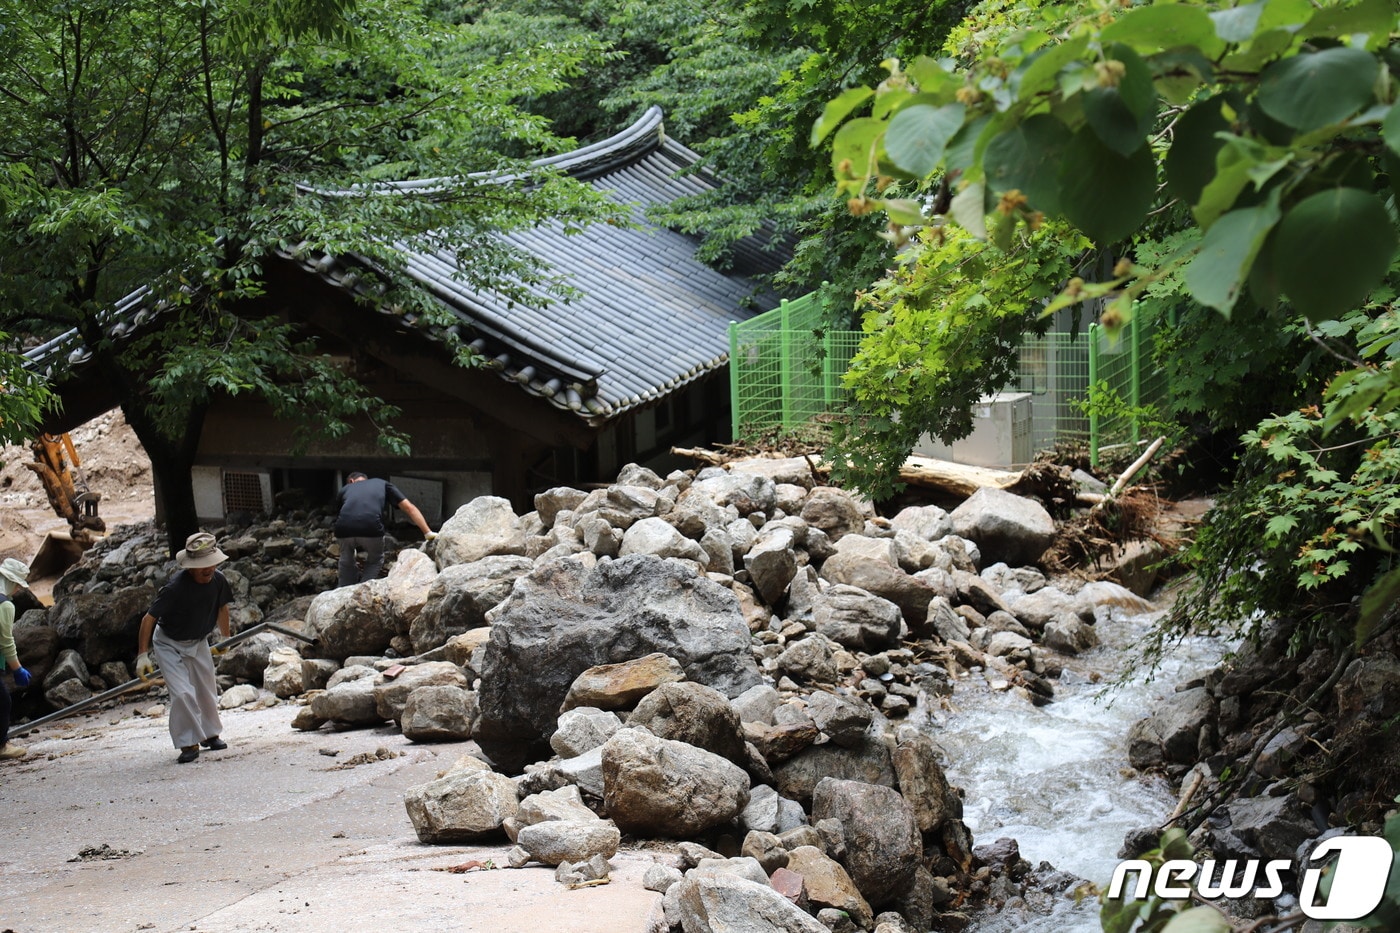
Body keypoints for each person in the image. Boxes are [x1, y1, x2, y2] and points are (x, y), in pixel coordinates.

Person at [136, 532, 233, 764]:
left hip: (198, 639)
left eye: (210, 564)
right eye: (201, 566)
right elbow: (148, 619)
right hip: (169, 642)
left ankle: (210, 734)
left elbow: (222, 609)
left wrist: (225, 638)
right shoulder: (175, 588)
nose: (207, 569)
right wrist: (142, 655)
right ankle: (189, 742)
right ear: (190, 567)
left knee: (206, 688)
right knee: (182, 693)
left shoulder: (218, 580)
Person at [333, 471, 436, 588]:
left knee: (346, 560)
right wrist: (427, 532)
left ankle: (343, 590)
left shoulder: (345, 489)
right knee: (375, 560)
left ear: (351, 481)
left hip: (343, 529)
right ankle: (361, 589)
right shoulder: (382, 483)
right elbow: (409, 508)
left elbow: (341, 515)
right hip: (371, 529)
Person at [1, 558, 33, 761]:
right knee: (3, 701)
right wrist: (17, 668)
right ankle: (2, 745)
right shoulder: (4, 605)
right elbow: (5, 642)